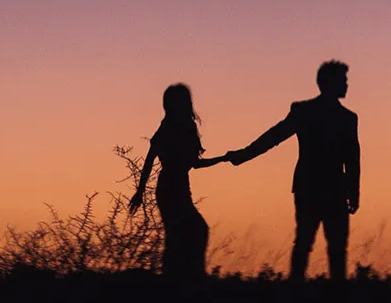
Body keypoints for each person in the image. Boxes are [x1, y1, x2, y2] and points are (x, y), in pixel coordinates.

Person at [227, 60, 360, 281]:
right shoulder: (314, 113)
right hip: (318, 189)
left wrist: (353, 192)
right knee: (314, 244)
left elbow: (352, 157)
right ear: (328, 83)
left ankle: (321, 298)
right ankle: (305, 297)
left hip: (325, 189)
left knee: (320, 246)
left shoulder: (341, 117)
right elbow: (275, 136)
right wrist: (244, 154)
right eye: (343, 80)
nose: (347, 85)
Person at [128, 83, 226, 280]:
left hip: (176, 186)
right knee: (188, 232)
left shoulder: (180, 127)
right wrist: (139, 192)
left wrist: (223, 159)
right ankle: (185, 280)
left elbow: (189, 163)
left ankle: (182, 278)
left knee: (184, 234)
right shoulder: (171, 127)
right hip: (171, 187)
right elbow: (152, 159)